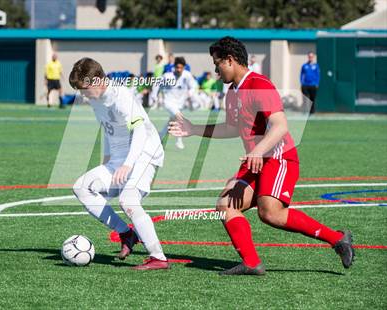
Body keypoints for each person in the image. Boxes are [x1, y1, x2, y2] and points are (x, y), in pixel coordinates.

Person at [168, 37, 354, 276]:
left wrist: (256, 151)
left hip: (279, 158)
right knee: (225, 205)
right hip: (256, 161)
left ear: (230, 60)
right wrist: (194, 130)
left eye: (217, 64)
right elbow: (232, 128)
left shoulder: (259, 84)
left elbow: (280, 126)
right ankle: (252, 263)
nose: (215, 71)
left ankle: (338, 239)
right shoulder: (233, 92)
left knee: (270, 213)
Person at [69, 58, 169, 270]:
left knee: (128, 200)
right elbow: (108, 130)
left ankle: (158, 257)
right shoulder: (96, 100)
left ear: (96, 81)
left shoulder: (121, 96)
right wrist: (107, 160)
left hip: (145, 154)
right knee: (81, 187)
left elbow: (140, 131)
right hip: (119, 157)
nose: (82, 95)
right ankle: (126, 234)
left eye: (84, 89)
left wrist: (128, 164)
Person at [150, 56, 198, 150]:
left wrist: (190, 93)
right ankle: (179, 141)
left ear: (184, 67)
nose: (179, 69)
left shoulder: (187, 75)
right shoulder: (168, 76)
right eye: (177, 67)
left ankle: (159, 137)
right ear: (174, 67)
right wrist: (154, 95)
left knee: (172, 122)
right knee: (179, 117)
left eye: (181, 68)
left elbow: (193, 86)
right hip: (168, 102)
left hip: (180, 103)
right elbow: (157, 84)